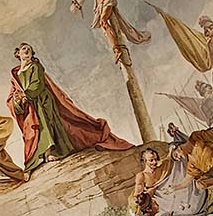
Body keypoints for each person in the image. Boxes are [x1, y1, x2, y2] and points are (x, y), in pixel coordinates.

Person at [8, 42, 131, 173]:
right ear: (18, 53)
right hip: (29, 105)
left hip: (42, 100)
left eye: (29, 49)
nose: (27, 51)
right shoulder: (16, 74)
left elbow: (37, 84)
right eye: (24, 49)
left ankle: (50, 151)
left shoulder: (35, 66)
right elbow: (13, 93)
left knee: (46, 124)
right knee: (35, 128)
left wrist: (26, 95)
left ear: (32, 54)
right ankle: (41, 155)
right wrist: (17, 101)